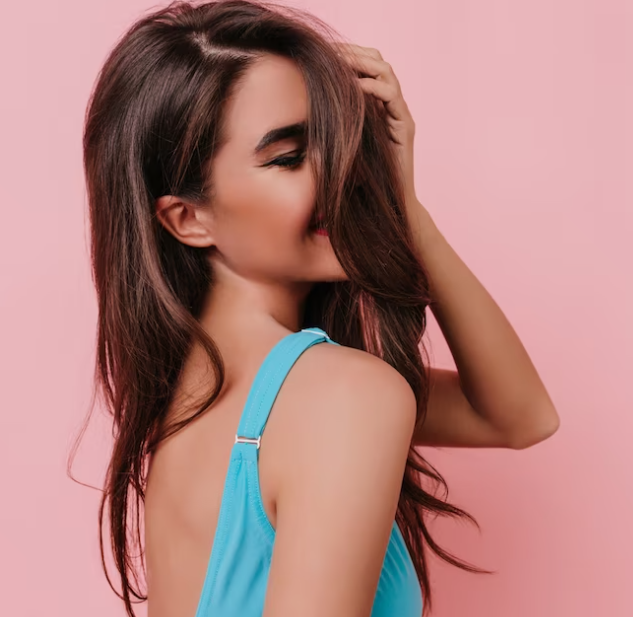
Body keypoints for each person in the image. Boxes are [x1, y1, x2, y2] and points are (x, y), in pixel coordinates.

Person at [77, 1, 560, 616]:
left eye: (337, 144)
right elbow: (521, 420)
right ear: (188, 218)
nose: (340, 173)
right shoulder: (338, 395)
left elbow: (518, 417)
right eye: (287, 157)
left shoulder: (197, 399)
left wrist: (403, 207)